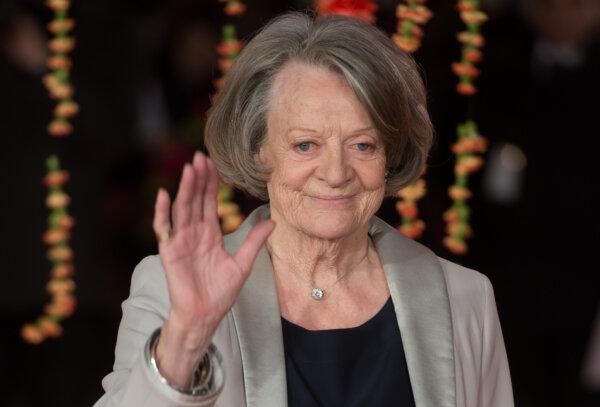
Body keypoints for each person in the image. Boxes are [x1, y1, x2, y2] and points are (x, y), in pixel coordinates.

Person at [94, 10, 513, 407]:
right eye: (305, 145)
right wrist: (184, 340)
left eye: (362, 145)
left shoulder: (465, 298)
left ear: (391, 154)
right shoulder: (170, 289)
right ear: (259, 149)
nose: (335, 173)